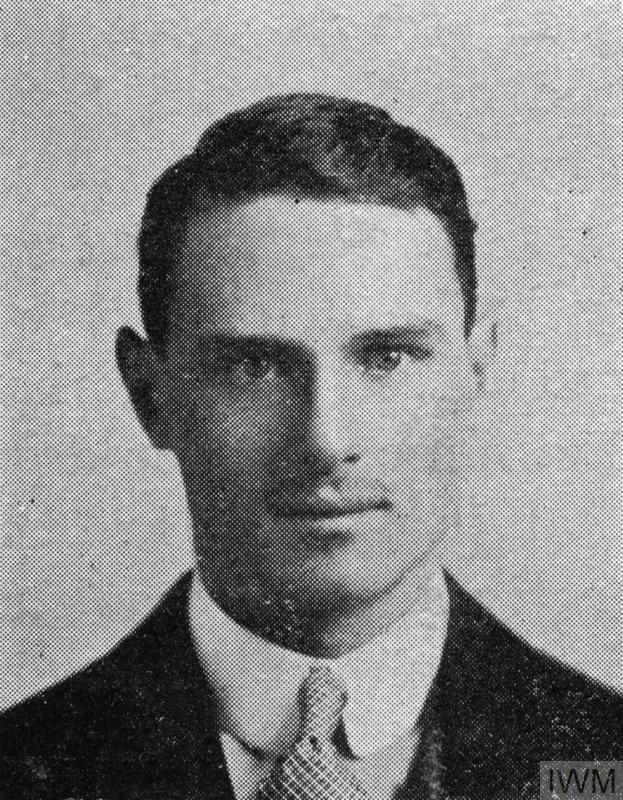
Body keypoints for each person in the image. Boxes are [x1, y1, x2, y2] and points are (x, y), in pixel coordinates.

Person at [1, 93, 620, 800]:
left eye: (387, 358)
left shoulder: (603, 761)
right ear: (150, 396)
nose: (328, 440)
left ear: (473, 374)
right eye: (255, 367)